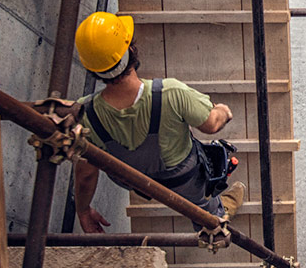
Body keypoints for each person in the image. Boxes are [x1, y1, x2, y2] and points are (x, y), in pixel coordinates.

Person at [70, 12, 246, 232]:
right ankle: (216, 217)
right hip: (183, 180)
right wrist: (223, 111)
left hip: (138, 183)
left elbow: (86, 173)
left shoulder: (85, 113)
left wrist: (84, 211)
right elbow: (210, 125)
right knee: (203, 205)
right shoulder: (171, 93)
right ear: (131, 50)